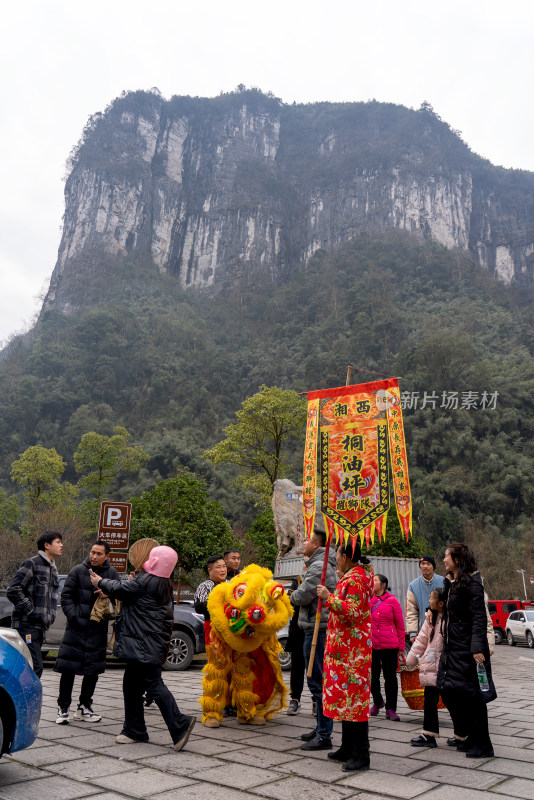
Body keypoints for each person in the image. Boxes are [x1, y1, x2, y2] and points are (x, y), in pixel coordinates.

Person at [89, 545, 196, 750]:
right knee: (131, 685)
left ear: (154, 561)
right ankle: (134, 729)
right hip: (148, 643)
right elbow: (129, 593)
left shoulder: (147, 580)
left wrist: (99, 581)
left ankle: (179, 724)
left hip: (143, 644)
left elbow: (122, 588)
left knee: (154, 684)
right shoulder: (162, 582)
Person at [317, 539, 374, 772]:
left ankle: (361, 754)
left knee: (356, 703)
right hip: (344, 651)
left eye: (338, 554)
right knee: (345, 702)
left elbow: (353, 611)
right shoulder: (351, 576)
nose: (336, 558)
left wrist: (328, 597)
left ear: (347, 556)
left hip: (353, 653)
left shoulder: (357, 580)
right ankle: (347, 747)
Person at [436, 543, 497, 759]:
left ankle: (484, 745)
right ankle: (470, 737)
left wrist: (477, 647)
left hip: (469, 650)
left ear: (457, 560)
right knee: (455, 692)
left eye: (447, 556)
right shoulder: (452, 582)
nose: (443, 560)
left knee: (474, 696)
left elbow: (479, 617)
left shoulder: (473, 583)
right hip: (454, 648)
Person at [54, 540, 120, 724]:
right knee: (69, 669)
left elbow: (120, 596)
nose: (94, 556)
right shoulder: (78, 571)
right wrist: (74, 617)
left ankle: (84, 707)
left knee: (93, 671)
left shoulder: (112, 573)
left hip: (97, 629)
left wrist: (109, 594)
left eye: (99, 554)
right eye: (92, 552)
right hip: (76, 629)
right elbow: (66, 596)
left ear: (108, 555)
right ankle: (63, 707)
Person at [291, 529, 337, 750]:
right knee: (316, 679)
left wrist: (289, 594)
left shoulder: (319, 566)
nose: (304, 543)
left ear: (317, 544)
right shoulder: (318, 564)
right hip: (314, 626)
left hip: (318, 629)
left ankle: (325, 734)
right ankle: (320, 727)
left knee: (318, 680)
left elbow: (302, 595)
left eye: (307, 540)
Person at [7, 530, 63, 678]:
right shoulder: (32, 563)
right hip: (27, 626)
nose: (61, 545)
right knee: (34, 667)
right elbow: (13, 589)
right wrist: (30, 610)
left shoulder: (53, 569)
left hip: (40, 628)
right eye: (58, 542)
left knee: (28, 667)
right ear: (46, 545)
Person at [406, 588, 446, 747]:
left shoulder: (450, 620)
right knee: (429, 701)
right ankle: (428, 735)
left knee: (452, 701)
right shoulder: (430, 619)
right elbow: (421, 641)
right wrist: (409, 661)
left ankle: (462, 734)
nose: (429, 601)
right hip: (431, 667)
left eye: (431, 598)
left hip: (446, 667)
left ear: (441, 603)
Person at [194, 555, 229, 727]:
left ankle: (233, 706)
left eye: (224, 566)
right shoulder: (205, 586)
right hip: (214, 631)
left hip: (233, 633)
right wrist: (219, 602)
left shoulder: (230, 584)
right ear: (210, 570)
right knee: (215, 671)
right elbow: (199, 606)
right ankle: (211, 712)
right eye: (218, 567)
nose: (223, 570)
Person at [370, 574, 405, 720]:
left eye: (375, 580)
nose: (373, 583)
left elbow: (400, 623)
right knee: (373, 677)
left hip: (390, 645)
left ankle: (391, 708)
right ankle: (378, 702)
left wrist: (401, 646)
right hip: (372, 644)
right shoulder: (369, 601)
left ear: (383, 584)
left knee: (390, 677)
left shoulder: (392, 601)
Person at [406, 556, 444, 644]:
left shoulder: (444, 582)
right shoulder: (413, 586)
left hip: (442, 630)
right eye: (422, 564)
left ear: (433, 567)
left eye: (428, 564)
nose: (425, 566)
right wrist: (412, 633)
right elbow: (411, 611)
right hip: (422, 631)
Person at [285, 572, 306, 715]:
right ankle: (295, 699)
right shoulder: (298, 580)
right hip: (298, 629)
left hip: (315, 628)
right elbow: (292, 599)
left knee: (317, 667)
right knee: (297, 666)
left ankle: (317, 700)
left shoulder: (324, 577)